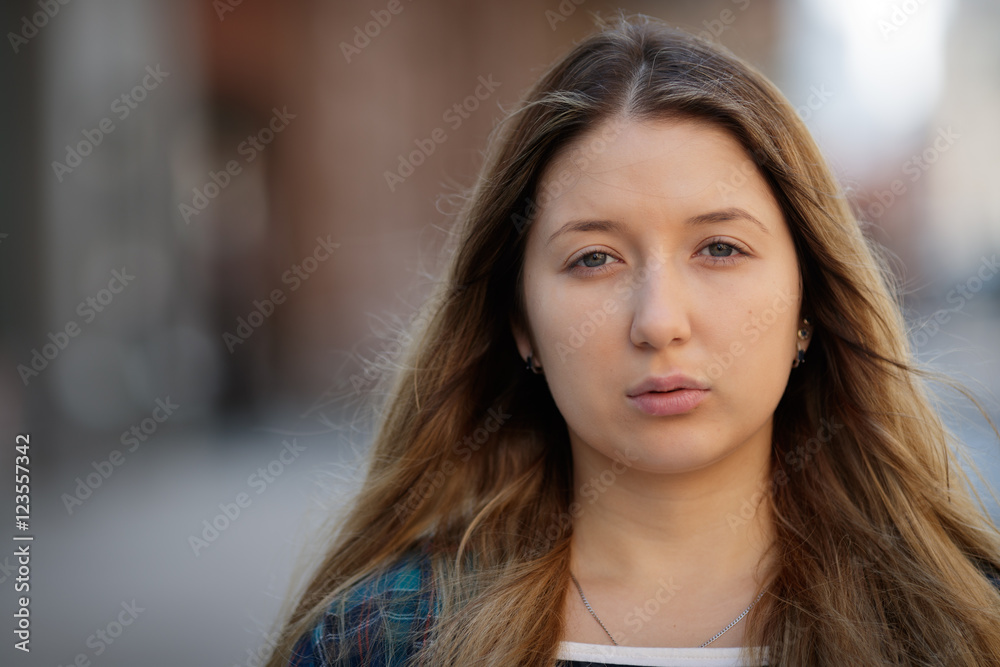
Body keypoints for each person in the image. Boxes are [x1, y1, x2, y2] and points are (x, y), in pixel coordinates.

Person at [265, 12, 1000, 667]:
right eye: (594, 258)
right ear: (520, 322)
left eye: (719, 248)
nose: (658, 321)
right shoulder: (382, 638)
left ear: (809, 298)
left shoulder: (961, 622)